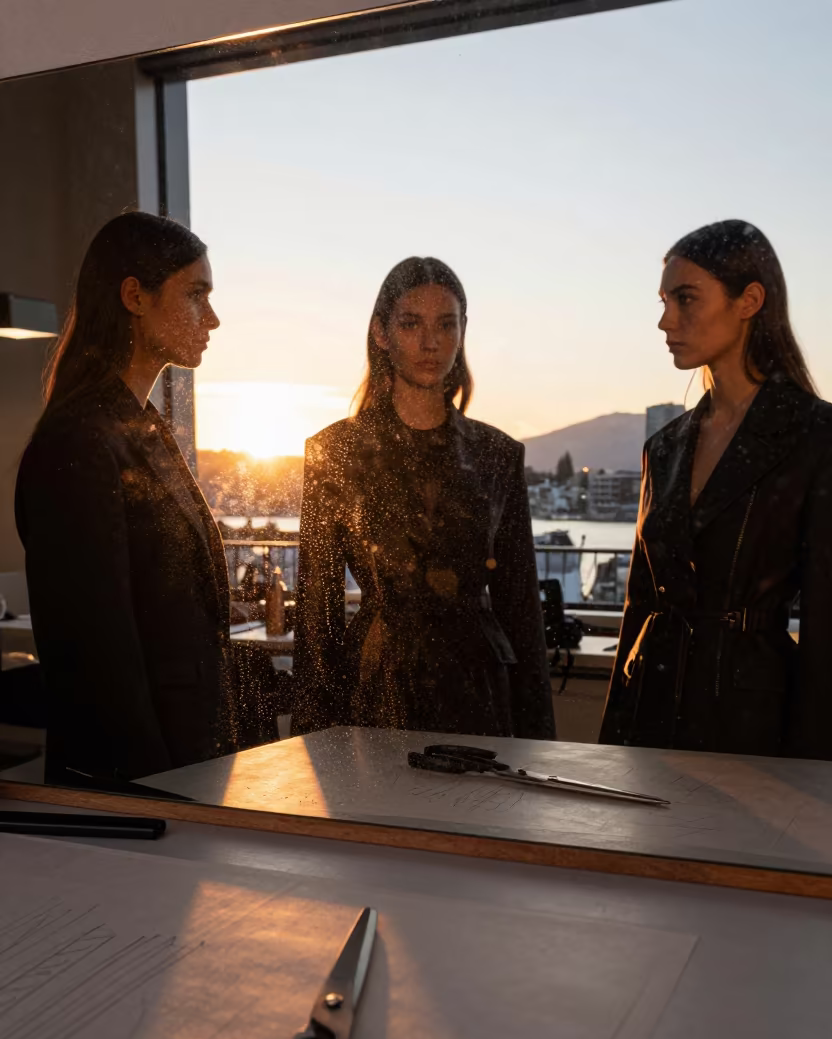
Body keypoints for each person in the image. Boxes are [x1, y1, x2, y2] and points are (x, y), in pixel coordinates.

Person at [16, 211, 240, 784]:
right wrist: (150, 797)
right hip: (139, 781)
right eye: (196, 295)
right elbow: (96, 656)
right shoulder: (79, 441)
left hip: (184, 761)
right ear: (134, 297)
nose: (212, 318)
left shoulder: (139, 428)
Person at [292, 256, 555, 740]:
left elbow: (521, 607)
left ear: (463, 331)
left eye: (445, 324)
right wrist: (311, 741)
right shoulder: (334, 451)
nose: (431, 342)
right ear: (381, 332)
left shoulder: (498, 454)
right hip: (374, 689)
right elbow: (316, 611)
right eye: (411, 324)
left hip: (477, 693)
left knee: (473, 815)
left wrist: (541, 743)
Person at [601, 219, 832, 759]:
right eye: (663, 301)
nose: (664, 321)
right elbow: (640, 605)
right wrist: (610, 747)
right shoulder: (664, 447)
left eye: (685, 299)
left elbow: (825, 625)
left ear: (749, 300)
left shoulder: (816, 437)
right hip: (649, 714)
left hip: (751, 727)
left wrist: (815, 769)